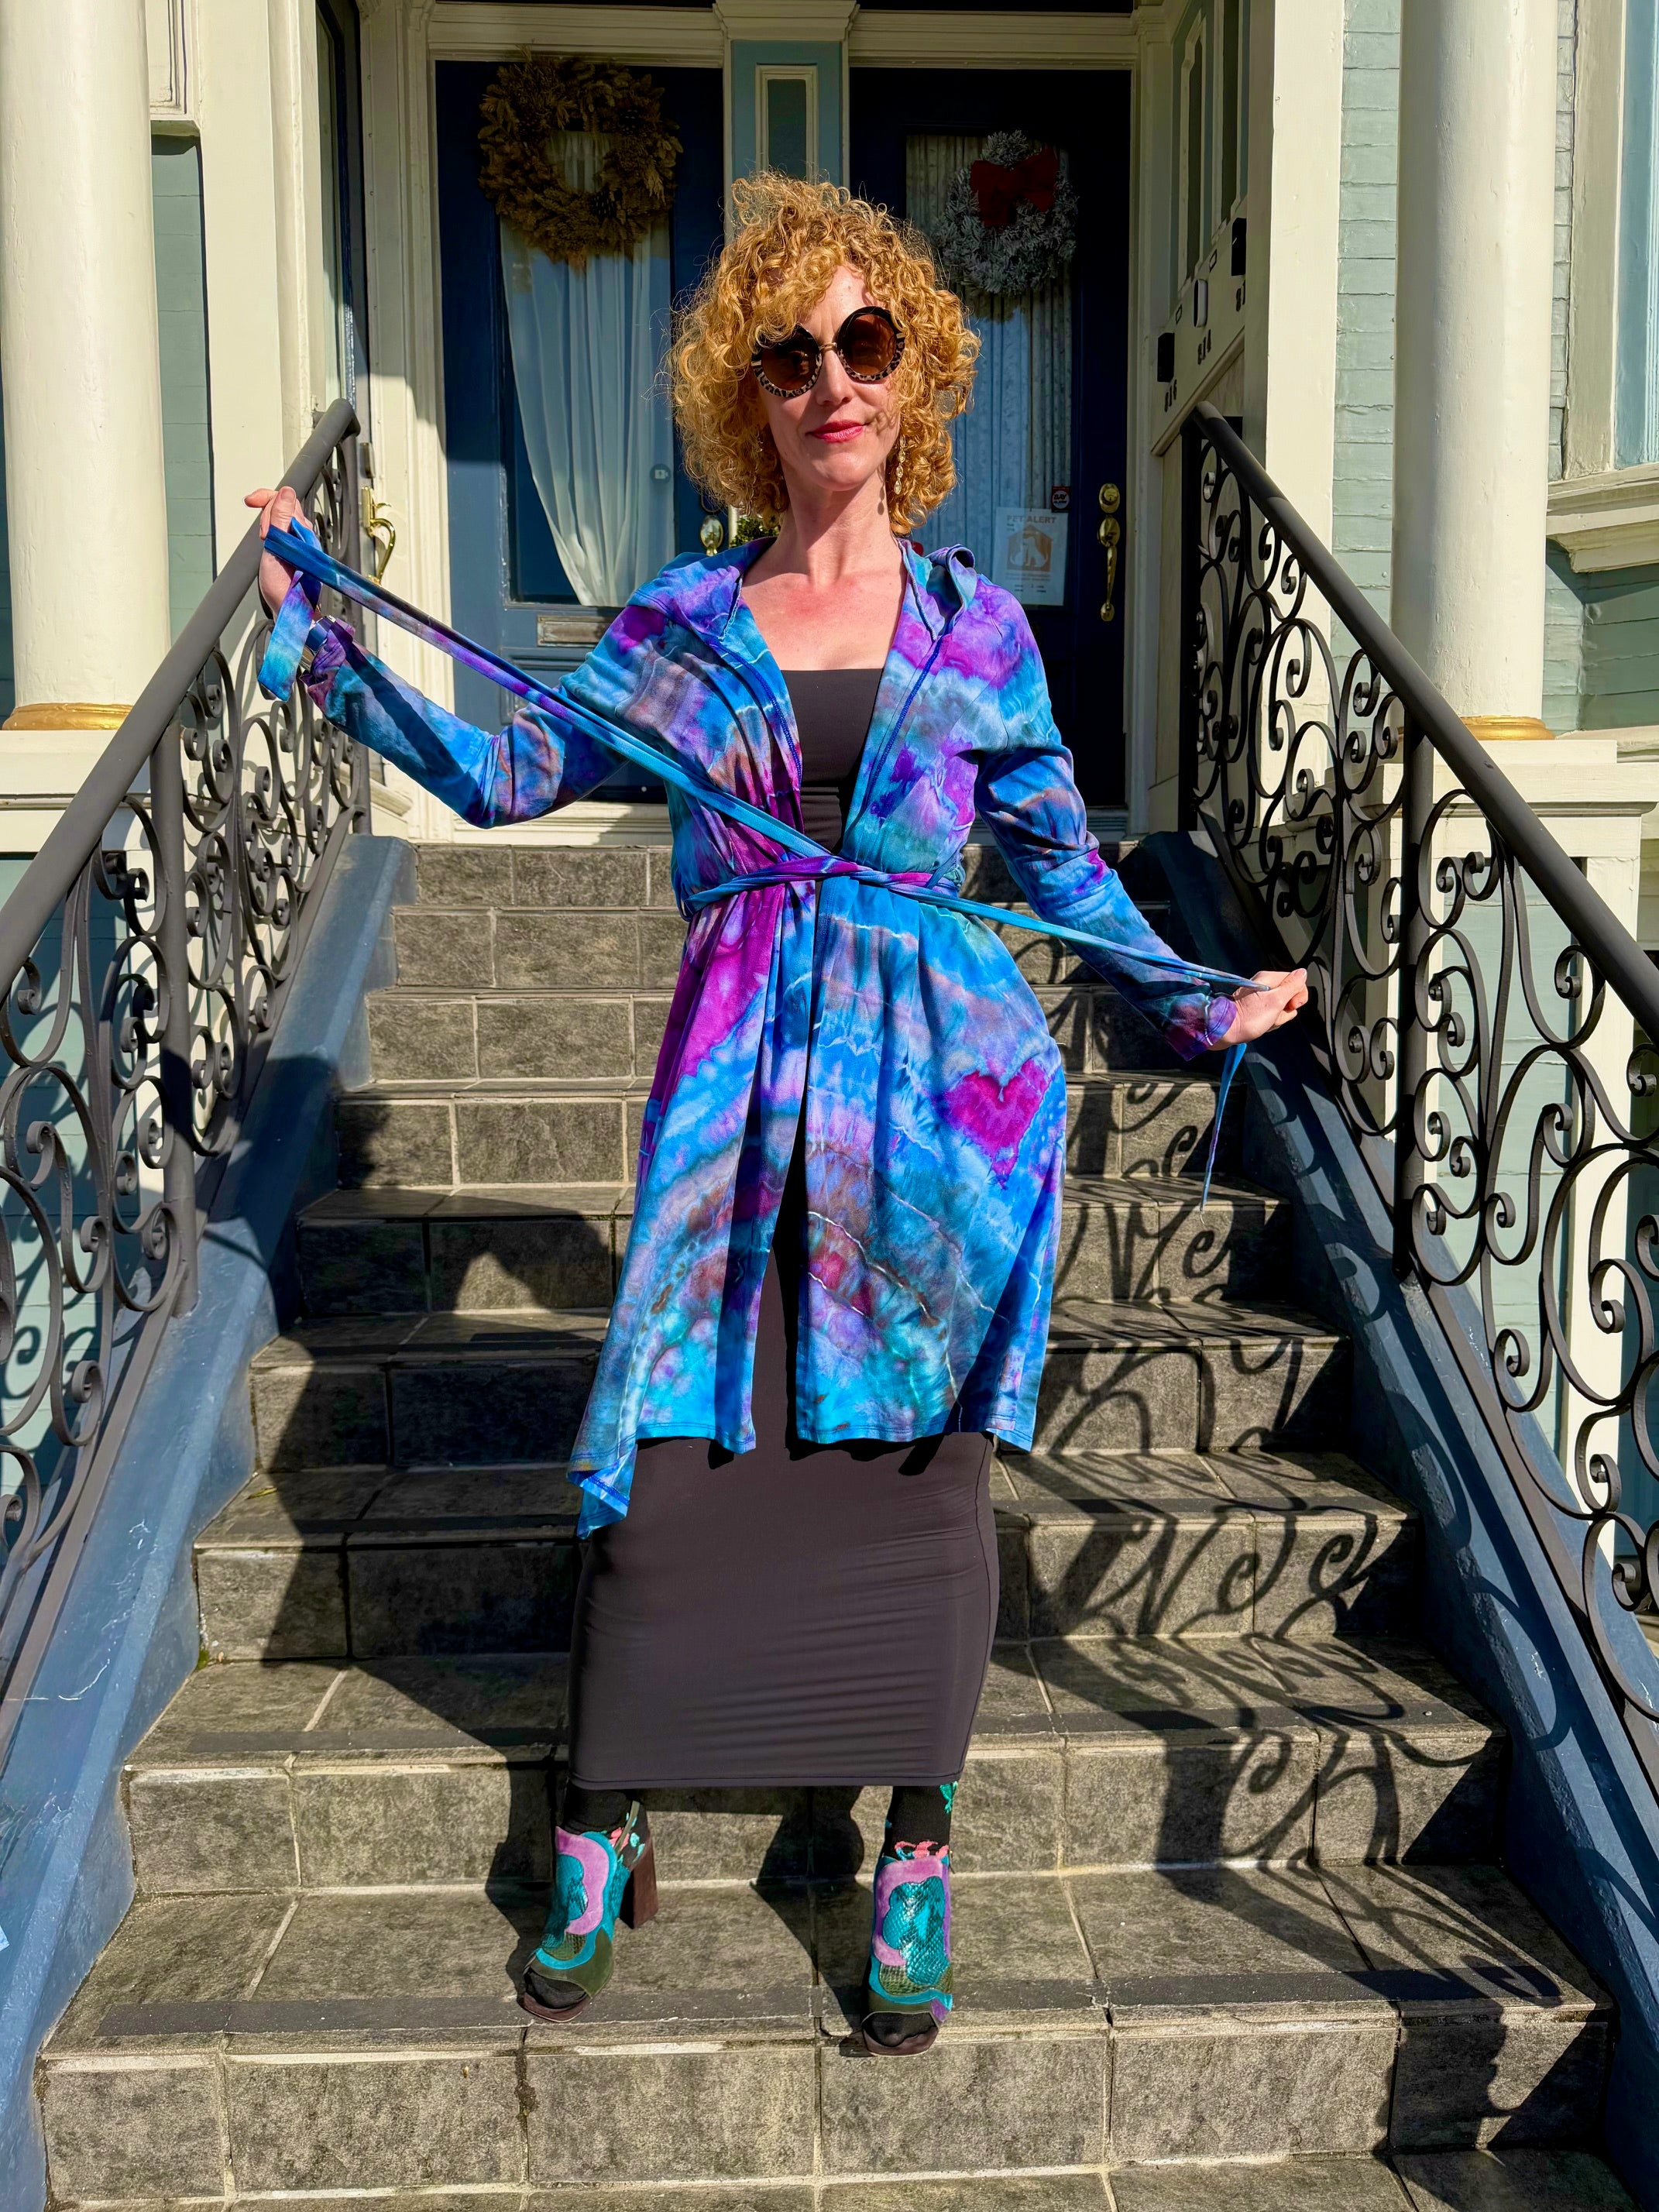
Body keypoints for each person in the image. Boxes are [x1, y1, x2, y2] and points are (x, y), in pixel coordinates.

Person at [249, 172, 1306, 2059]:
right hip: (739, 1109)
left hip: (939, 1118)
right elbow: (502, 773)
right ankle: (602, 1823)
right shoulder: (680, 618)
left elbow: (1061, 874)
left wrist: (1188, 997)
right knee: (668, 1466)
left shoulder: (979, 632)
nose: (833, 380)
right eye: (791, 353)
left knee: (924, 1484)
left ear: (915, 370)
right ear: (748, 394)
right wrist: (324, 637)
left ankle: (915, 1851)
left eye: (863, 340)